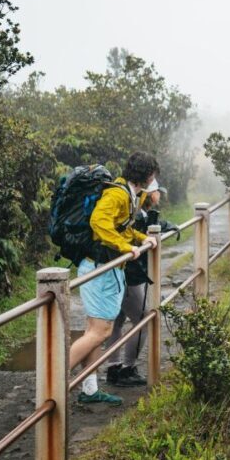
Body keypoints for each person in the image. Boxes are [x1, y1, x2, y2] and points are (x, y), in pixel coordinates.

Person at [69, 151, 159, 405]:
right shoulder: (117, 193)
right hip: (98, 268)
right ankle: (51, 385)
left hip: (108, 268)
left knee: (96, 331)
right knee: (100, 332)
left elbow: (123, 226)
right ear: (147, 174)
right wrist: (124, 246)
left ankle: (89, 389)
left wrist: (141, 239)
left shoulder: (132, 194)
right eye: (153, 175)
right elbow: (99, 222)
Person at [104, 179, 178, 387]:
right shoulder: (136, 214)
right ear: (148, 193)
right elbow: (133, 238)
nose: (160, 196)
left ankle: (114, 368)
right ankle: (126, 368)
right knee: (143, 319)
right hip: (128, 273)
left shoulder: (138, 213)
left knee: (117, 319)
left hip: (119, 270)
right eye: (157, 192)